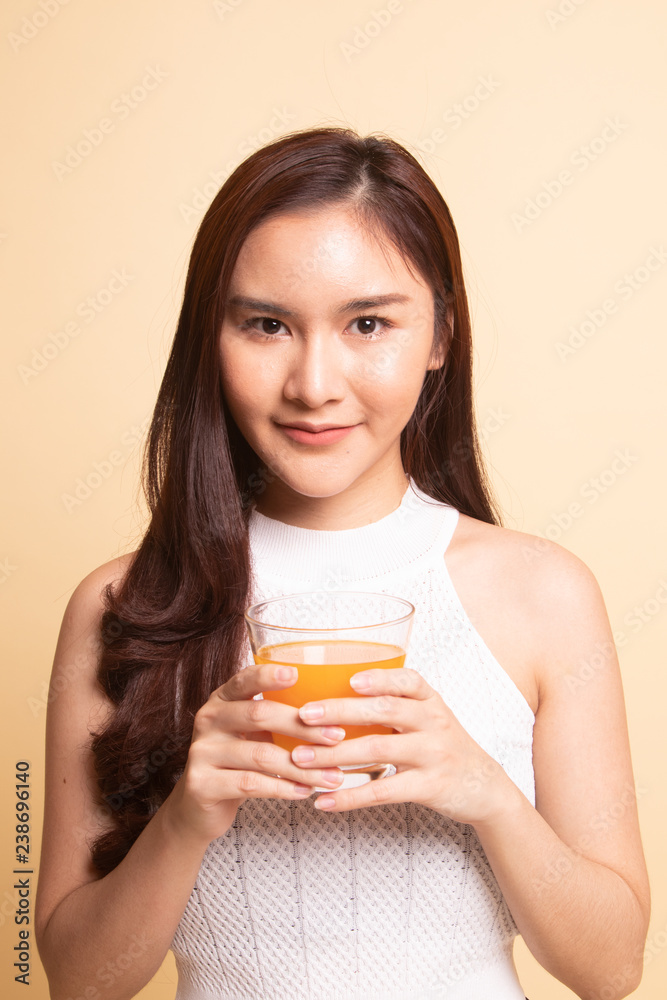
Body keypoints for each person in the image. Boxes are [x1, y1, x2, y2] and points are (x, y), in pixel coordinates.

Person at [35, 127, 649, 1000]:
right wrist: (186, 817)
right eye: (266, 325)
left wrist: (484, 790)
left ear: (439, 335)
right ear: (211, 337)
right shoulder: (123, 604)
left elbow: (612, 968)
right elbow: (76, 981)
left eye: (368, 323)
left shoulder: (543, 594)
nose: (314, 384)